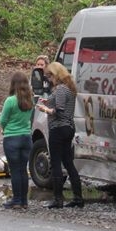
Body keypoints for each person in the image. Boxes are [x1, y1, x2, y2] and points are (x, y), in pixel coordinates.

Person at [36, 62, 82, 209]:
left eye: (49, 76)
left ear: (56, 74)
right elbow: (60, 104)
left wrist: (45, 109)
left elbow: (59, 110)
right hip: (68, 128)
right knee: (68, 162)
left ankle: (58, 199)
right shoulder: (69, 88)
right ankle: (78, 198)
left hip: (59, 128)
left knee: (56, 163)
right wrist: (48, 101)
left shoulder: (61, 89)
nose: (48, 79)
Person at [0, 72, 34, 209]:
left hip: (12, 137)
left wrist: (3, 127)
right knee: (23, 169)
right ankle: (24, 201)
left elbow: (3, 119)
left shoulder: (10, 100)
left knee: (15, 170)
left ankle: (17, 199)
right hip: (26, 137)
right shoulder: (30, 100)